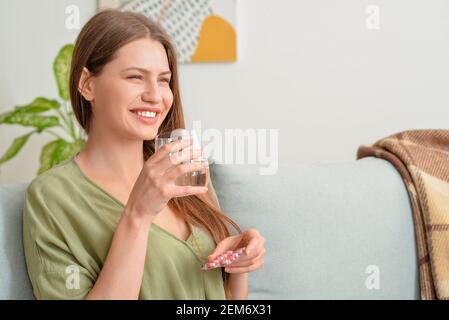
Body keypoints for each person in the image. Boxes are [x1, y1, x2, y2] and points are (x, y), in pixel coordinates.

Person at [22, 9, 265, 300]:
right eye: (136, 77)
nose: (155, 95)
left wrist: (238, 264)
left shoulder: (185, 168)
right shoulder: (52, 198)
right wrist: (137, 215)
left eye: (163, 80)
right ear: (87, 84)